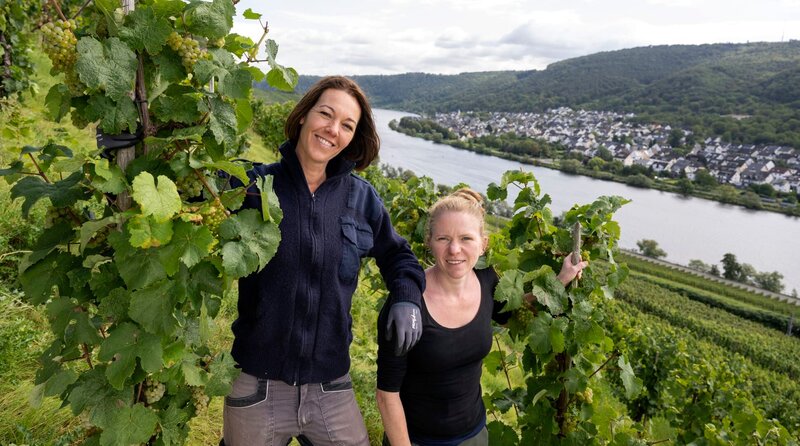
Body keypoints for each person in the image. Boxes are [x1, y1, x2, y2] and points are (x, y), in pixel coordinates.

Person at [222, 76, 425, 446]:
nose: (333, 129)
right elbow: (191, 183)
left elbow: (399, 256)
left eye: (347, 125)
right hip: (257, 383)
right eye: (326, 114)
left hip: (330, 386)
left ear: (353, 137)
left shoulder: (362, 200)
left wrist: (407, 296)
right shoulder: (254, 186)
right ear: (303, 116)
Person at [376, 188, 586, 446]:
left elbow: (507, 315)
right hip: (417, 439)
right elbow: (387, 394)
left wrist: (560, 280)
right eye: (443, 238)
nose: (455, 249)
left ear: (483, 244)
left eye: (466, 238)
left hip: (474, 434)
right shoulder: (406, 304)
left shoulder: (486, 280)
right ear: (429, 241)